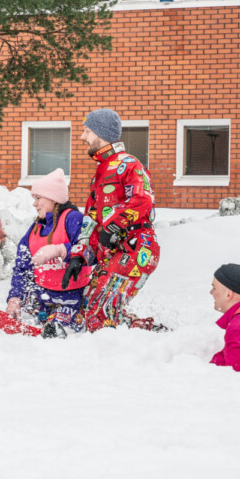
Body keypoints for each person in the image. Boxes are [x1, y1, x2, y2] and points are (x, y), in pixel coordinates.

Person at [76, 109, 160, 332]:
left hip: (136, 249)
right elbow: (92, 221)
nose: (82, 137)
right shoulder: (100, 173)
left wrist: (113, 225)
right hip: (112, 253)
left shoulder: (129, 164)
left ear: (101, 133)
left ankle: (119, 355)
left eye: (87, 131)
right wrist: (79, 257)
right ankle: (145, 331)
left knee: (99, 314)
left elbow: (143, 199)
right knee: (86, 312)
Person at [3, 168, 93, 337]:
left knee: (55, 331)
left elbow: (91, 250)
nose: (34, 203)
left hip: (72, 298)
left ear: (53, 198)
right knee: (18, 326)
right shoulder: (36, 228)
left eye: (38, 198)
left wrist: (60, 249)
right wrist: (15, 298)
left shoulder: (73, 218)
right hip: (42, 298)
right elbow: (22, 267)